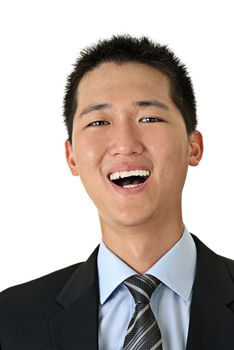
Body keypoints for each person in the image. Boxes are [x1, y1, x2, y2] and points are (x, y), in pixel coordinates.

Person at [0, 35, 234, 350]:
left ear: (194, 146)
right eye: (99, 122)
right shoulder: (11, 319)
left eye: (149, 118)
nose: (124, 144)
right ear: (72, 158)